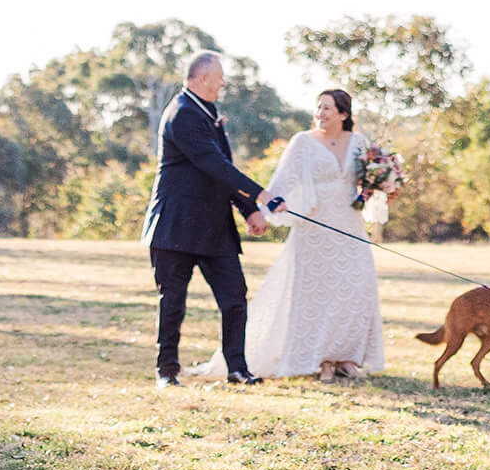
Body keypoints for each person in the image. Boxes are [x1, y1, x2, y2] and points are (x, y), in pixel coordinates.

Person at [143, 51, 278, 388]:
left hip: (215, 228)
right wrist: (261, 196)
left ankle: (237, 368)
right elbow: (214, 165)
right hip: (176, 225)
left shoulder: (209, 111)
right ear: (201, 78)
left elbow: (221, 171)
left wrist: (249, 211)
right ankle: (166, 371)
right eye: (219, 76)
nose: (223, 83)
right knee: (173, 301)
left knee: (234, 297)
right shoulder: (182, 114)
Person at [238, 88, 393, 379]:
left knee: (355, 287)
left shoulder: (359, 142)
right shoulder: (303, 143)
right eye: (318, 108)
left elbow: (368, 179)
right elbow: (282, 180)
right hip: (314, 226)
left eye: (327, 109)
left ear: (343, 114)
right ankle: (320, 358)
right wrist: (265, 210)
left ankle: (348, 357)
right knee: (317, 292)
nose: (320, 114)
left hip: (349, 223)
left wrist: (382, 182)